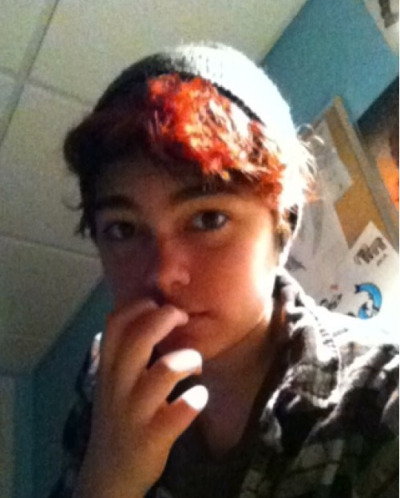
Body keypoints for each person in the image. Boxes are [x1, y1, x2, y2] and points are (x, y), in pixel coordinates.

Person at [50, 43, 398, 498]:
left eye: (208, 219)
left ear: (282, 223)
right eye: (123, 229)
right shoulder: (105, 379)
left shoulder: (383, 399)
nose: (163, 274)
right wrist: (106, 481)